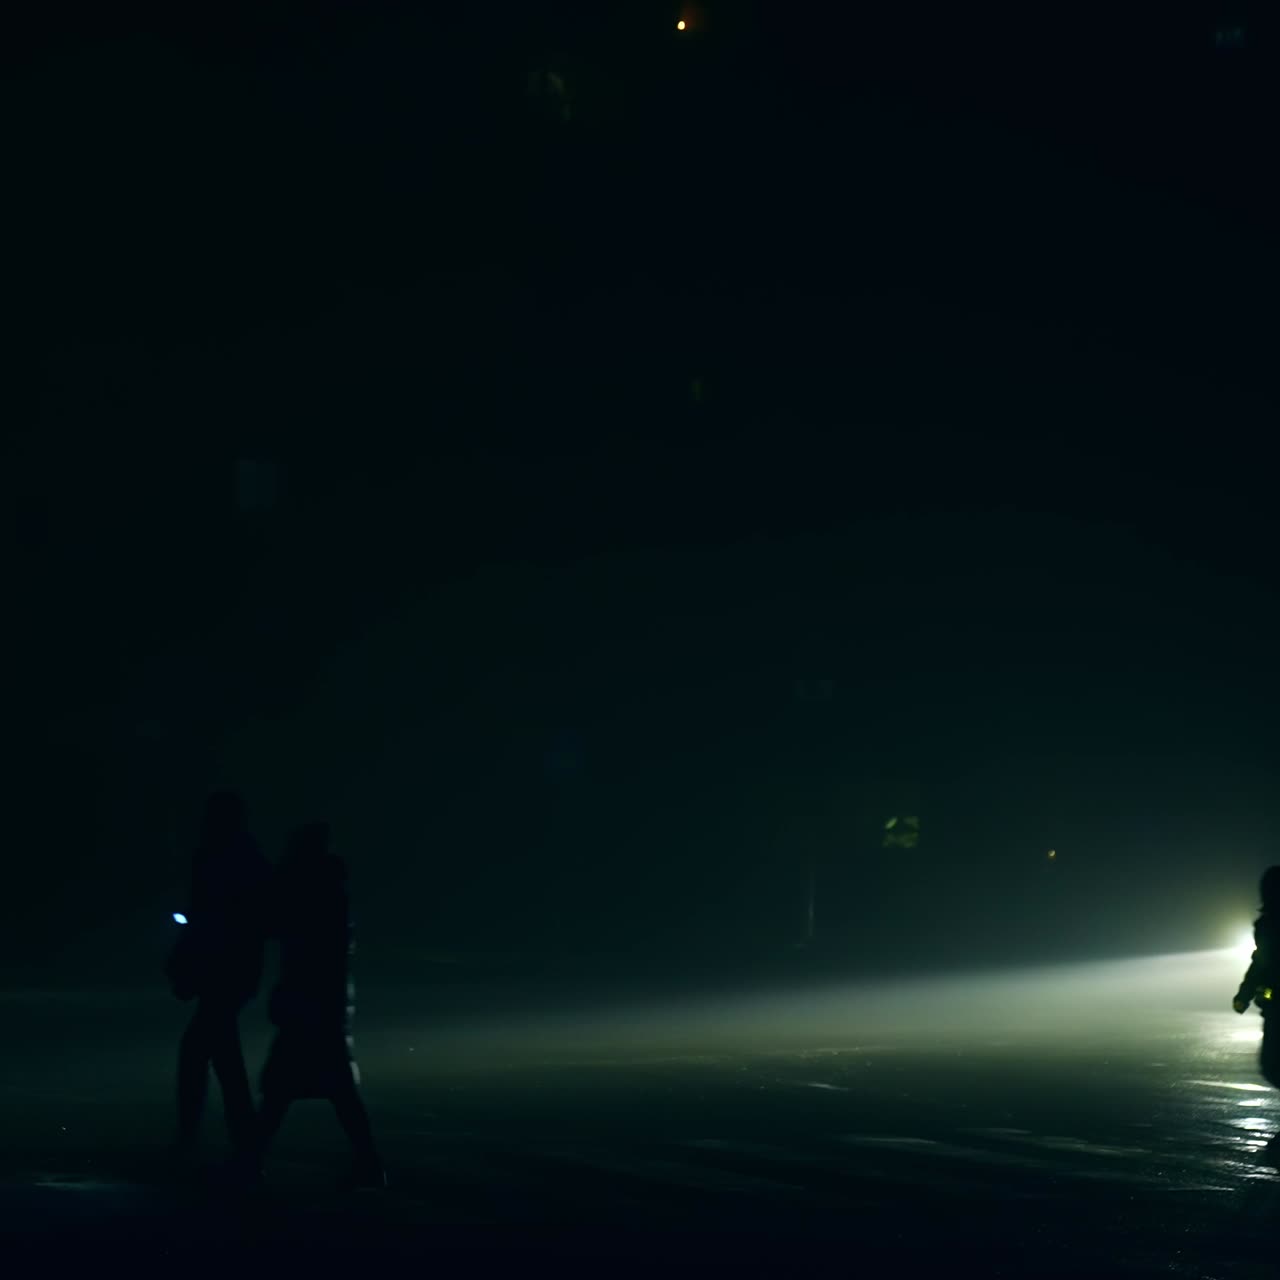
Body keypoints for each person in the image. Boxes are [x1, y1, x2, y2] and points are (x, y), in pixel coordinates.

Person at [244, 821, 384, 1189]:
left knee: (284, 1088)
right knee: (332, 1088)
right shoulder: (329, 889)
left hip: (309, 1001)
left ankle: (250, 1161)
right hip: (323, 1002)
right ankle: (368, 1163)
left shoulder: (308, 890)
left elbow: (278, 929)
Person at [167, 790, 271, 1163]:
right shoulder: (246, 859)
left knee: (204, 1050)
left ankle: (212, 1134)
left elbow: (208, 919)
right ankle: (242, 1135)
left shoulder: (220, 860)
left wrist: (187, 965)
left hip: (223, 971)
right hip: (233, 972)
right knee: (218, 1052)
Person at [1233, 865, 1280, 1089]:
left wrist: (1245, 995)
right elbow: (1260, 964)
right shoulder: (1266, 927)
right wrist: (1245, 994)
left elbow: (1260, 965)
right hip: (1274, 1008)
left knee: (1273, 1066)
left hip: (1275, 1009)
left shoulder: (1267, 926)